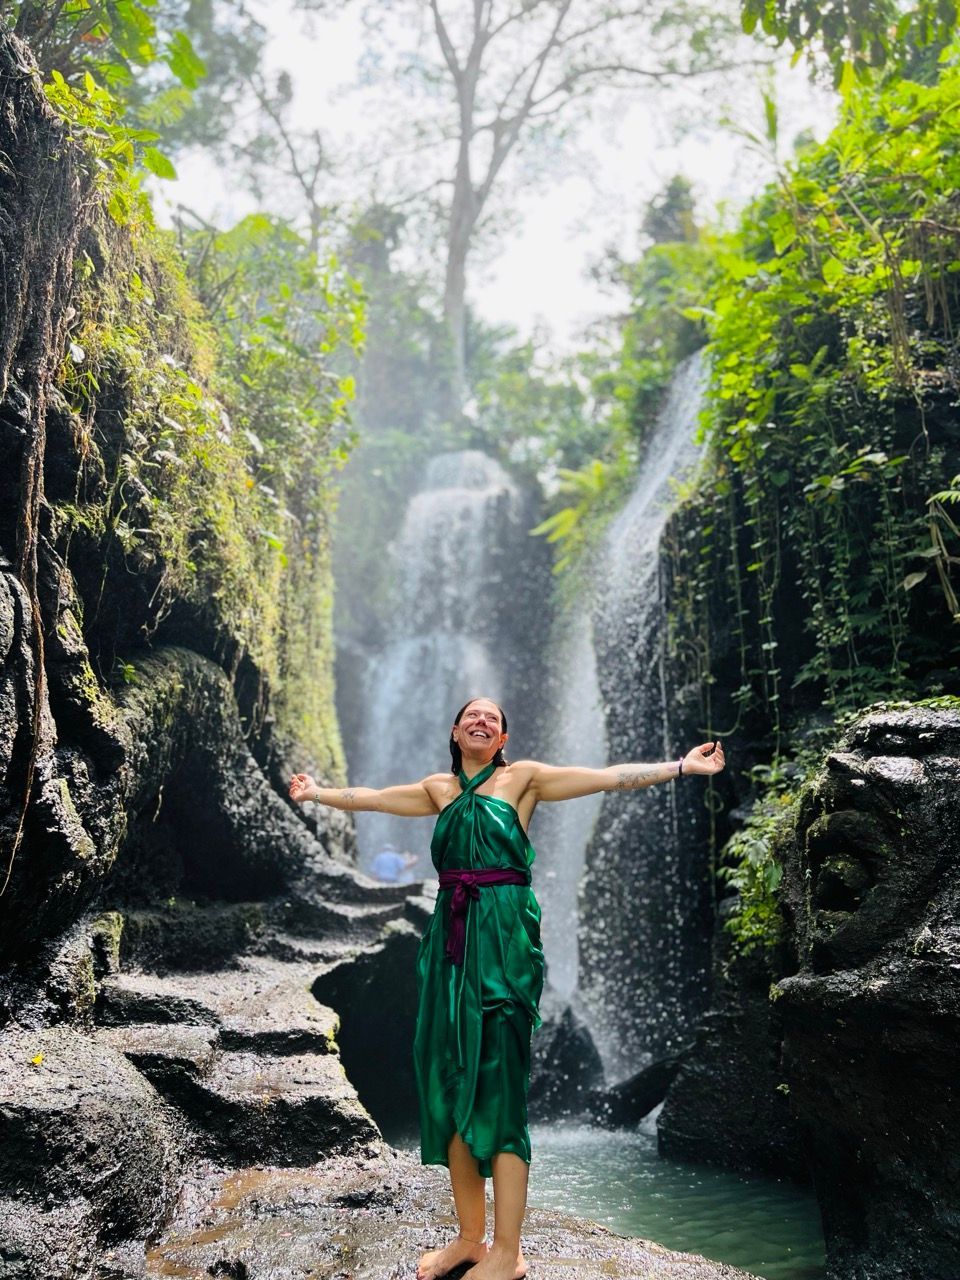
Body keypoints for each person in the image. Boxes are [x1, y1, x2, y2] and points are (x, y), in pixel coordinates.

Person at [290, 696, 725, 1280]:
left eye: (493, 718)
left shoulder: (524, 780)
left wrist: (681, 767)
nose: (482, 720)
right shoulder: (437, 789)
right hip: (449, 944)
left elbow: (606, 779)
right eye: (472, 714)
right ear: (454, 730)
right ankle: (470, 1237)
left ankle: (508, 1250)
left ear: (502, 739)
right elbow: (368, 798)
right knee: (445, 1077)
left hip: (503, 944)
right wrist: (316, 793)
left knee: (498, 1085)